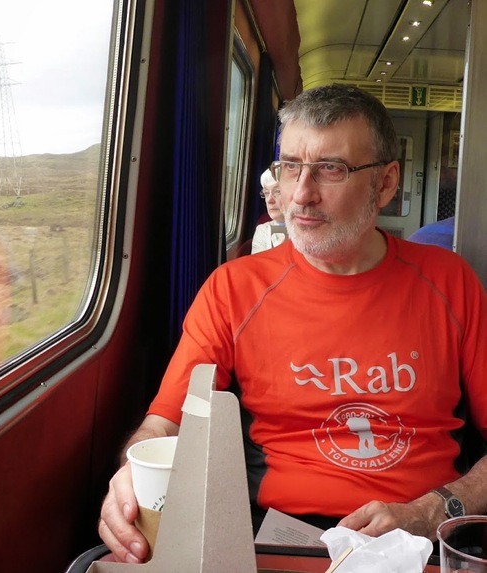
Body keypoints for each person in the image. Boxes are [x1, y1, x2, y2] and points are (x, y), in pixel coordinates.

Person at [98, 83, 487, 564]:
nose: (301, 195)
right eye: (289, 167)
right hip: (279, 538)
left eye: (331, 169)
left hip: (419, 539)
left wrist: (436, 509)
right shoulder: (233, 290)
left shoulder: (450, 283)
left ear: (385, 184)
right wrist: (132, 475)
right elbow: (165, 423)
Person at [251, 168, 288, 254]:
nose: (269, 200)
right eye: (266, 193)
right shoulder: (263, 231)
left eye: (277, 191)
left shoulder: (310, 230)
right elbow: (258, 266)